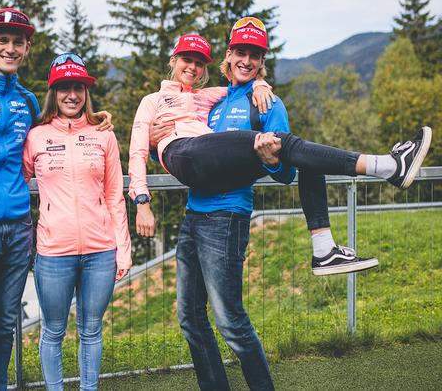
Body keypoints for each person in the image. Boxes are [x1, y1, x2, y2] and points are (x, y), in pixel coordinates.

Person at [142, 17, 431, 390]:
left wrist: (271, 159)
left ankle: (381, 172)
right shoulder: (210, 103)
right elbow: (188, 150)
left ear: (262, 62)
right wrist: (152, 140)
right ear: (228, 56)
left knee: (230, 322)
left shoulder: (267, 101)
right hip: (193, 216)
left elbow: (287, 173)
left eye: (255, 56)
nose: (246, 60)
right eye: (240, 52)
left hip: (228, 217)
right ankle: (335, 231)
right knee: (189, 320)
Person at [131, 24, 431, 275]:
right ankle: (388, 166)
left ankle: (324, 248)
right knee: (289, 144)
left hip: (221, 189)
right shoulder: (171, 101)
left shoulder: (231, 99)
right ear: (174, 60)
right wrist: (143, 197)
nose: (193, 67)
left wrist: (261, 86)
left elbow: (284, 168)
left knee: (299, 154)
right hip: (191, 171)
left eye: (199, 62)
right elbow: (142, 150)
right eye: (187, 59)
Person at [0, 9, 113, 391]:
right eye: (3, 40)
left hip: (18, 230)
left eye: (18, 42)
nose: (10, 48)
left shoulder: (28, 103)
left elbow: (52, 138)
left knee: (3, 328)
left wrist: (97, 121)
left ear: (27, 47)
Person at [22, 53, 131, 391]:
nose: (72, 94)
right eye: (64, 87)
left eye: (79, 87)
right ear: (53, 93)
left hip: (101, 250)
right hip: (53, 252)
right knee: (53, 330)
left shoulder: (104, 136)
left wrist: (123, 250)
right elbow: (15, 186)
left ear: (86, 92)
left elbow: (115, 195)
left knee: (91, 329)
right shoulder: (36, 136)